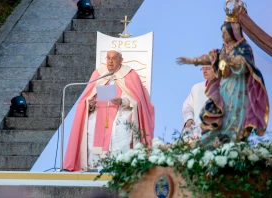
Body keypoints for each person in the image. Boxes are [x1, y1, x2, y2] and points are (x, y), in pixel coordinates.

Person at [176, 4, 269, 149]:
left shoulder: (243, 49)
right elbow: (187, 107)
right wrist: (191, 60)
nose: (223, 36)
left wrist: (231, 61)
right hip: (199, 131)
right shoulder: (197, 88)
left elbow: (246, 66)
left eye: (225, 33)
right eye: (222, 34)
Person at [63, 49, 155, 171]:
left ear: (121, 60)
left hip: (121, 110)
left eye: (114, 58)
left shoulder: (130, 75)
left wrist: (121, 101)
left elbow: (137, 100)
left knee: (120, 127)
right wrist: (90, 104)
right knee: (92, 124)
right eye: (108, 58)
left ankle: (121, 166)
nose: (110, 62)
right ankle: (93, 166)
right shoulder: (99, 74)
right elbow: (89, 96)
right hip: (100, 110)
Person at [182, 65, 214, 141]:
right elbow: (187, 106)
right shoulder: (196, 88)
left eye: (207, 68)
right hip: (197, 134)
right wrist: (189, 118)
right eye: (202, 69)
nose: (204, 71)